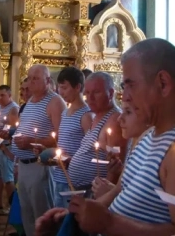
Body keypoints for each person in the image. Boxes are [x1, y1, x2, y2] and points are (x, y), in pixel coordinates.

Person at [35, 38, 175, 236]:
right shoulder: (148, 136)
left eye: (130, 85)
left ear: (163, 83)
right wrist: (74, 217)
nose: (124, 96)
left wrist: (109, 224)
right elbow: (118, 192)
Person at [11, 64, 66, 236]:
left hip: (40, 166)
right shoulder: (29, 102)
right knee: (26, 213)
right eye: (29, 78)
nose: (30, 82)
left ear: (48, 81)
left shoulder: (55, 102)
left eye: (36, 78)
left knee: (42, 215)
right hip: (25, 165)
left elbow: (59, 137)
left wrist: (32, 142)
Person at [66, 72, 126, 193]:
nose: (90, 98)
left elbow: (115, 167)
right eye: (87, 93)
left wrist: (101, 199)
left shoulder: (114, 121)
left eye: (96, 92)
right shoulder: (97, 116)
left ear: (111, 94)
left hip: (95, 193)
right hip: (84, 191)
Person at [52, 67, 93, 208]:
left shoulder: (86, 115)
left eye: (64, 87)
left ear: (77, 87)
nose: (60, 92)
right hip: (59, 176)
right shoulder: (65, 113)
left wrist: (71, 159)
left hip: (74, 181)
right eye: (59, 88)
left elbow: (91, 150)